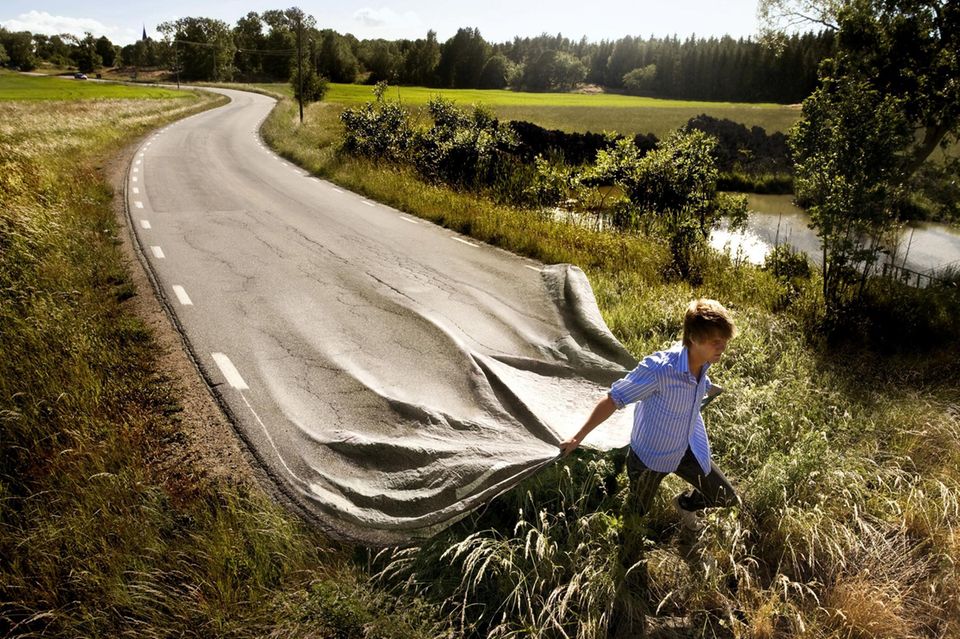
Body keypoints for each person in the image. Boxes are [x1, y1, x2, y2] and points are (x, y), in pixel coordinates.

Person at [559, 298, 739, 531]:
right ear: (694, 338)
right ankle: (627, 553)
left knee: (725, 496)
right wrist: (577, 437)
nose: (722, 347)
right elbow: (613, 398)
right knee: (636, 516)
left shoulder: (703, 361)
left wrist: (708, 388)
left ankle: (684, 505)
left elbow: (694, 382)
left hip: (686, 449)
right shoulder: (659, 370)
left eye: (724, 340)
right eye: (716, 341)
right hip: (649, 459)